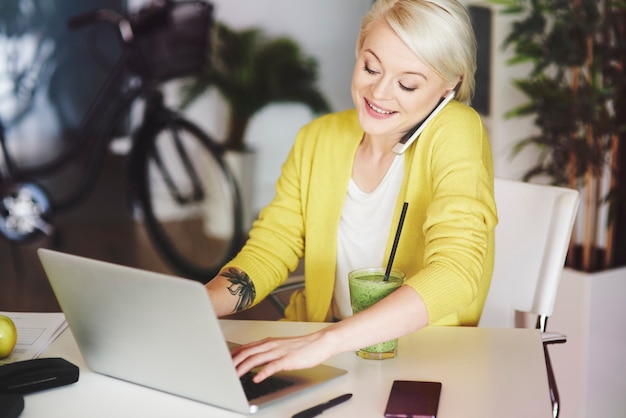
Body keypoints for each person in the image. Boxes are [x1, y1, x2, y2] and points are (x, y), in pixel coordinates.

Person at [205, 0, 497, 383]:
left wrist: (326, 341)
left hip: (420, 359)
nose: (379, 92)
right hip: (319, 350)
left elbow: (455, 272)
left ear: (450, 84)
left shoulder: (456, 131)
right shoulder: (318, 138)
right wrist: (193, 307)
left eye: (407, 83)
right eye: (370, 67)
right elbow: (270, 249)